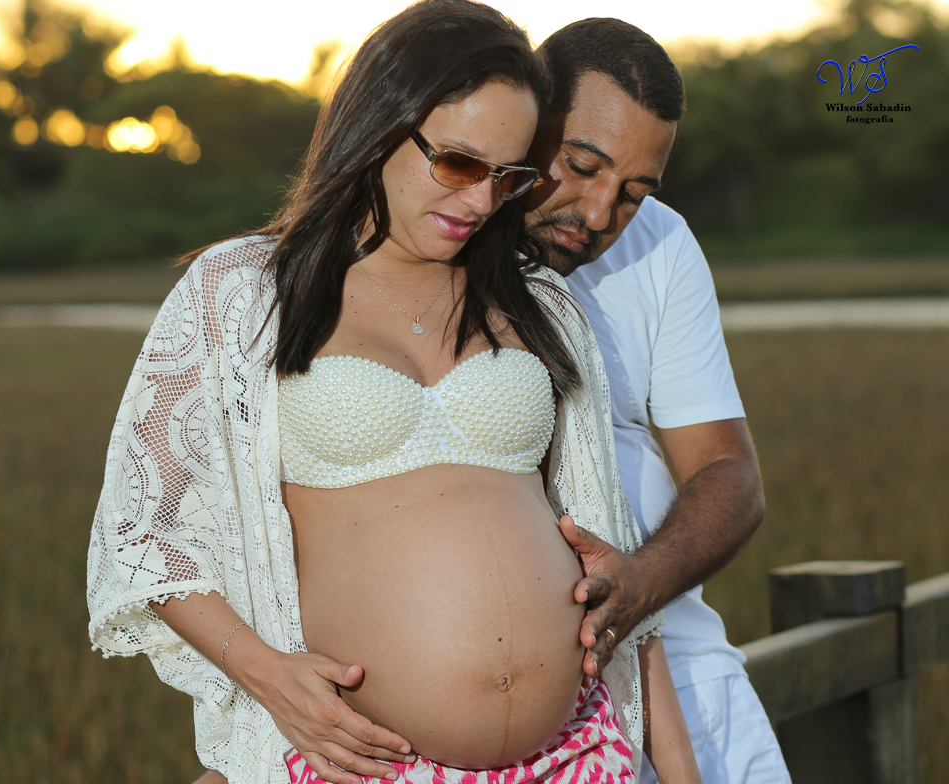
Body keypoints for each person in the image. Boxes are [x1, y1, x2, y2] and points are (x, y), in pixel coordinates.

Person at [87, 3, 700, 783]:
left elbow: (607, 570)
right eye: (457, 163)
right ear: (383, 124)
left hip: (573, 760)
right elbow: (146, 530)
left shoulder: (540, 305)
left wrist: (682, 773)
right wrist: (266, 674)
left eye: (506, 176)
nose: (481, 201)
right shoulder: (241, 293)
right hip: (359, 764)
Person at [525, 18, 791, 783]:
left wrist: (641, 584)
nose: (601, 214)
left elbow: (728, 475)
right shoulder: (440, 253)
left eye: (634, 193)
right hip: (524, 733)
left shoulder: (663, 245)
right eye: (579, 166)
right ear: (527, 117)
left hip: (688, 676)